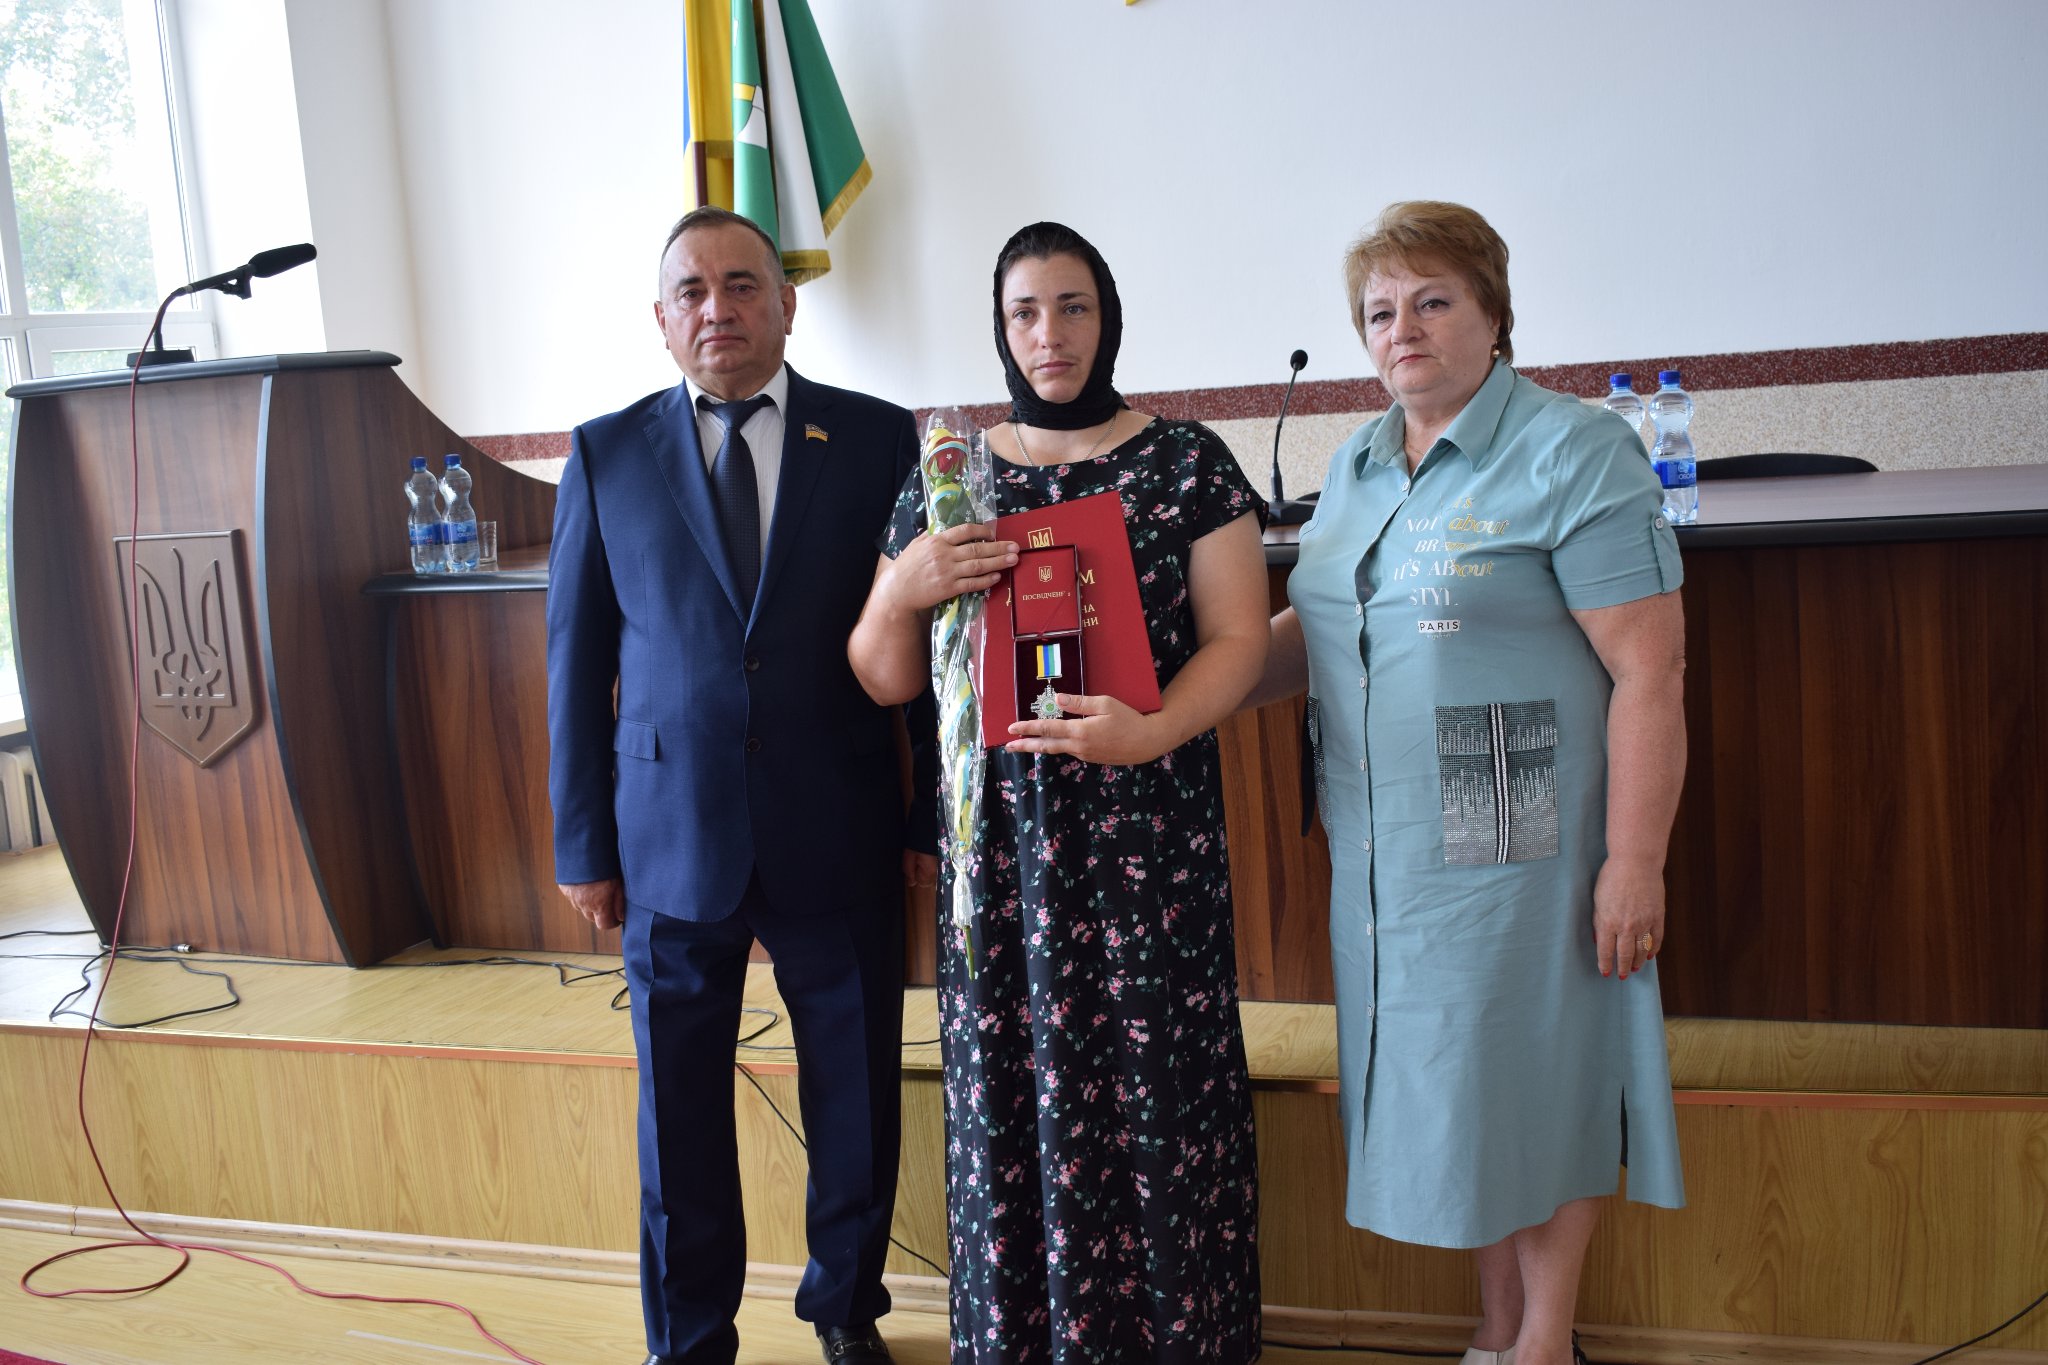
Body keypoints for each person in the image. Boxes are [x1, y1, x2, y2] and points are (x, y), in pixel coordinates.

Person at [1246, 201, 1687, 1365]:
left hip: (1517, 819)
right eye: (1378, 311)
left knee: (1535, 1076)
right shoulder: (1356, 460)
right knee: (1463, 1092)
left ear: (1492, 313)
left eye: (1431, 300)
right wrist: (1174, 700)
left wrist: (1633, 862)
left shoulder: (1570, 448)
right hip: (1380, 847)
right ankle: (1495, 1332)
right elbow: (1317, 631)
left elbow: (1649, 671)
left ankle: (1543, 1341)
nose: (1402, 328)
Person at [847, 222, 1270, 1364]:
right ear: (1000, 330)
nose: (1050, 334)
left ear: (1107, 315)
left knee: (1157, 1087)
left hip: (1149, 836)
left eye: (1072, 306)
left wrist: (1154, 730)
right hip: (1003, 860)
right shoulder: (952, 478)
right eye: (1024, 312)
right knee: (1015, 1097)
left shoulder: (1185, 463)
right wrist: (904, 590)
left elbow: (1239, 640)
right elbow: (881, 672)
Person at [547, 205, 934, 1365]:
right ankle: (688, 1334)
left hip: (837, 821)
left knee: (853, 1094)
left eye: (742, 284)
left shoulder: (876, 439)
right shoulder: (604, 453)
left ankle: (845, 1310)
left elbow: (920, 642)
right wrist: (583, 844)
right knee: (676, 1114)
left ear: (786, 303)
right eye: (692, 290)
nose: (717, 308)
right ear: (661, 318)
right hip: (667, 837)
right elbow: (576, 663)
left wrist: (925, 816)